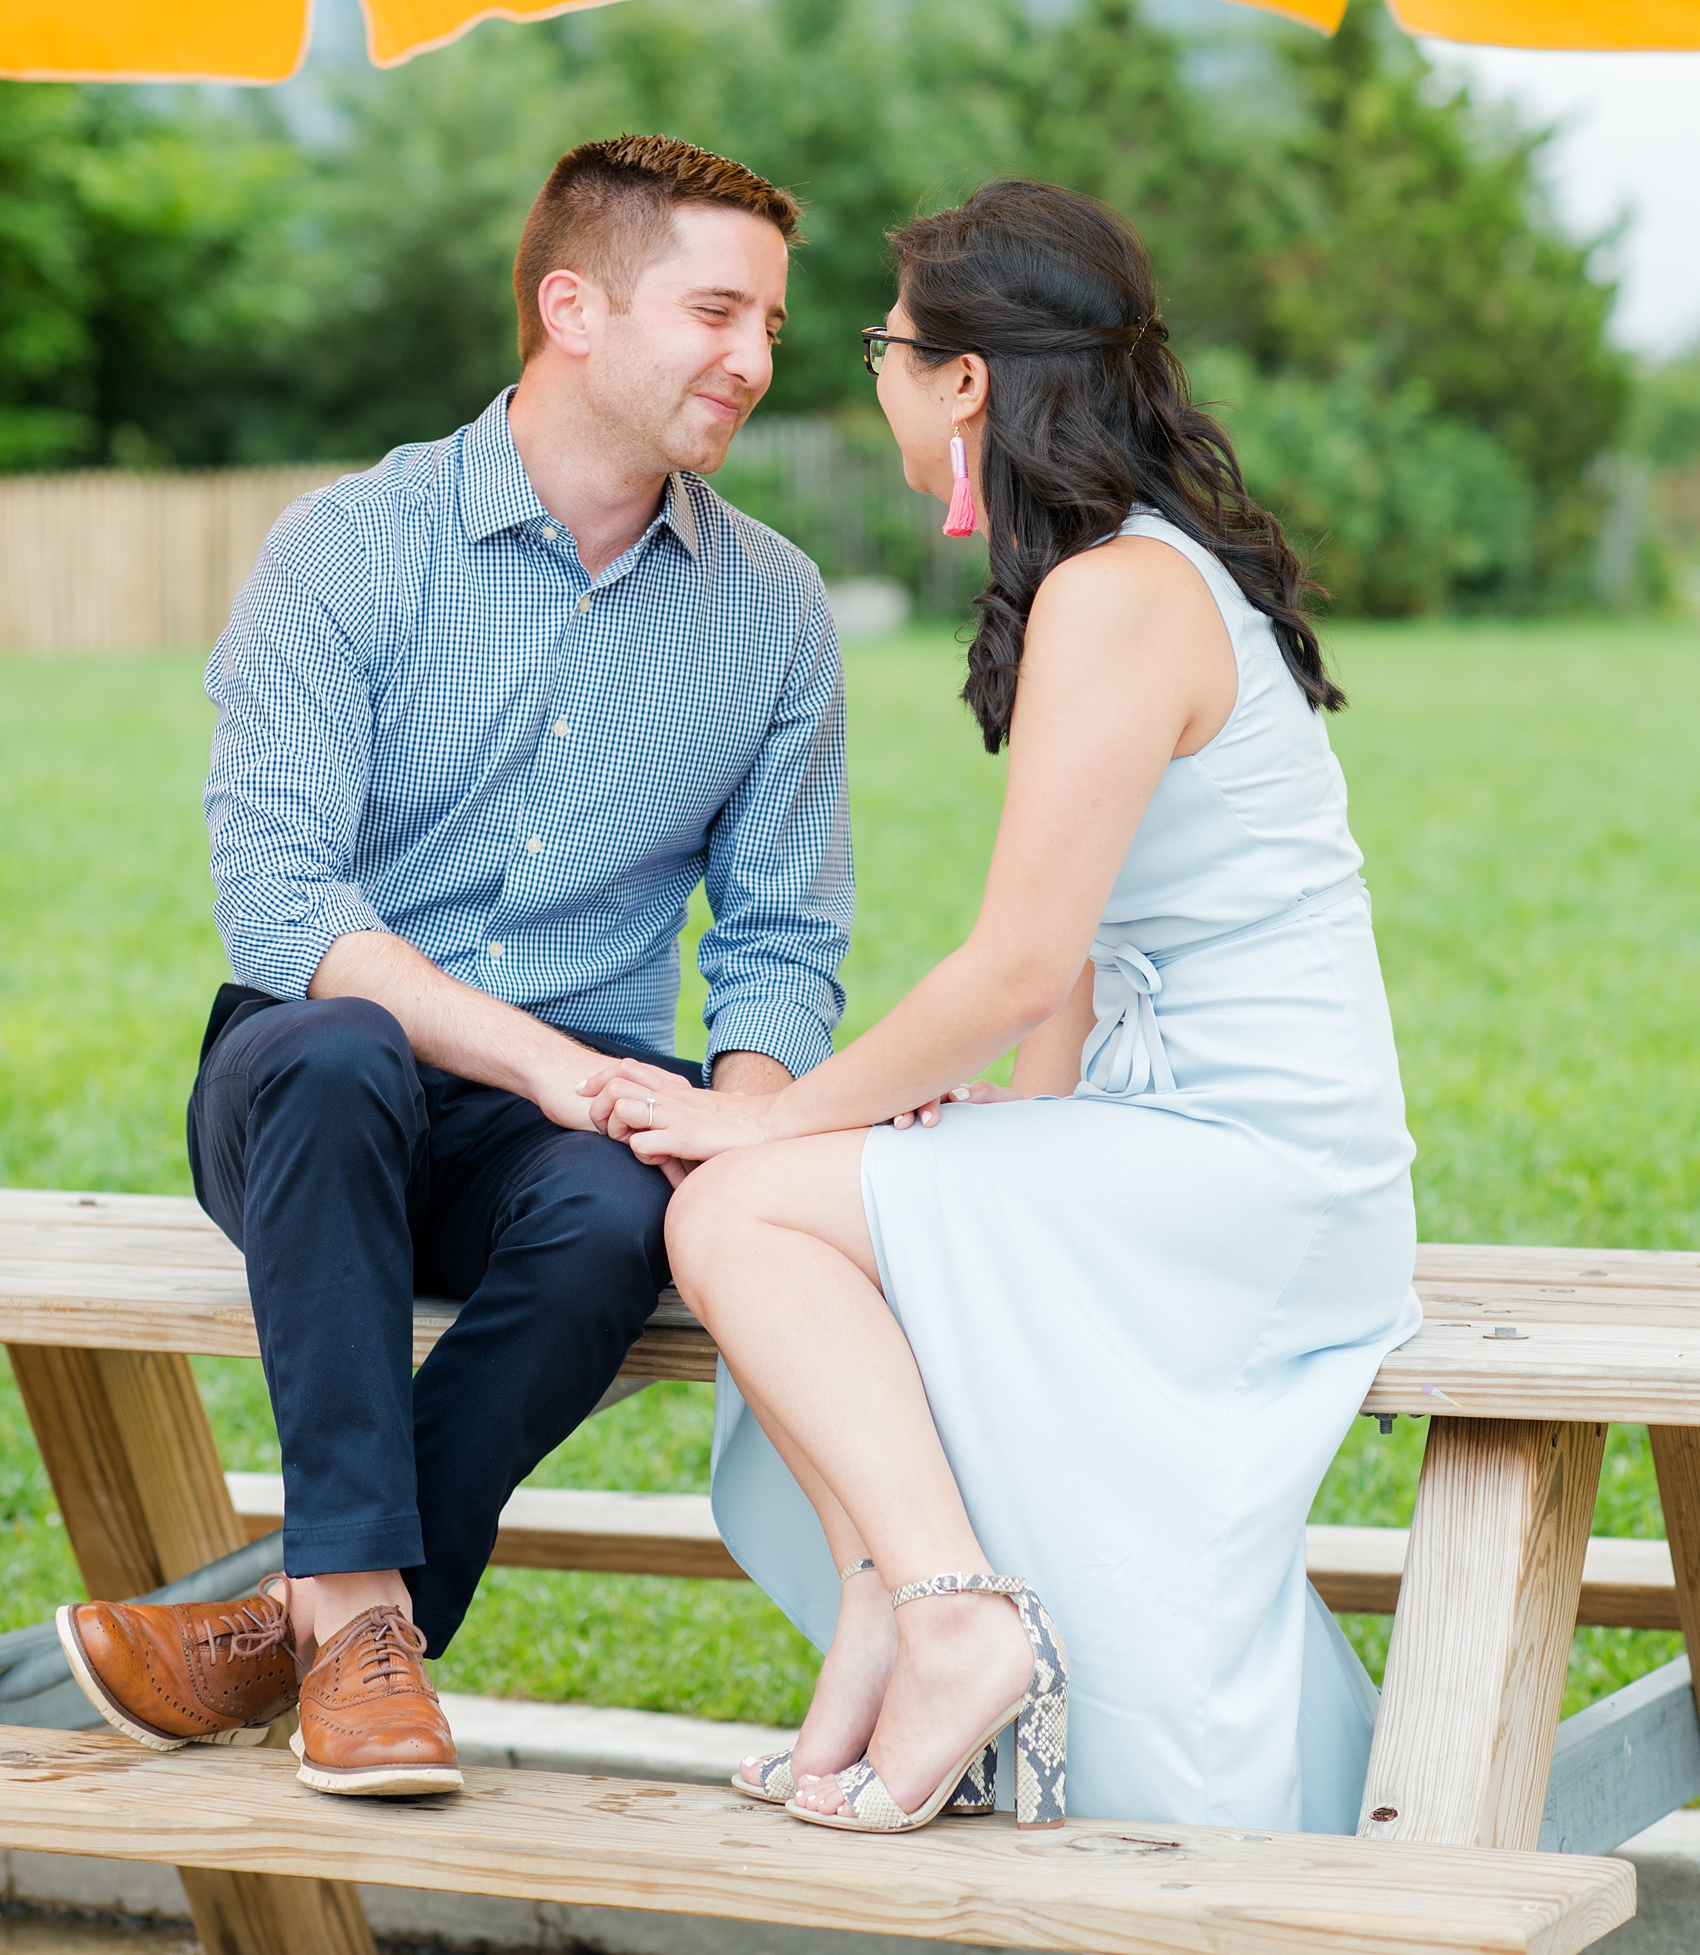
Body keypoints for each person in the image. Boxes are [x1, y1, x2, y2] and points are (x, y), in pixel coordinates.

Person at [580, 180, 1421, 1838]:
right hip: (1209, 1144)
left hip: (1251, 1173)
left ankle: (946, 1612)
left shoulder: (1116, 592)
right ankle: (905, 1597)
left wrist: (766, 1112)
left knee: (739, 1213)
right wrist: (1034, 1123)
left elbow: (1017, 959)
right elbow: (1091, 943)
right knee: (766, 1208)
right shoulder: (1124, 572)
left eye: (888, 345)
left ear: (965, 381)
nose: (873, 373)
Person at [56, 135, 852, 1798]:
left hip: (556, 1135)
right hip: (307, 1092)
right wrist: (543, 1057)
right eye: (717, 311)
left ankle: (314, 1625)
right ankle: (357, 1614)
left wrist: (738, 1130)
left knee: (624, 1212)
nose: (755, 361)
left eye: (772, 322)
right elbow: (284, 894)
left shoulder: (773, 613)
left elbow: (780, 936)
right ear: (573, 303)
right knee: (345, 1047)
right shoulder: (348, 546)